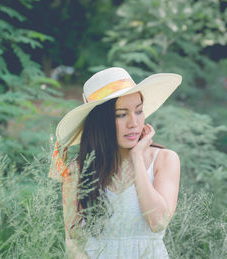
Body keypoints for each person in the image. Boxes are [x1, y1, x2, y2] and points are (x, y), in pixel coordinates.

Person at [49, 67, 182, 258]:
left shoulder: (165, 160)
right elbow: (73, 242)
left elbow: (158, 222)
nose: (134, 123)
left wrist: (137, 158)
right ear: (100, 122)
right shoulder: (77, 171)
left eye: (138, 111)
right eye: (121, 114)